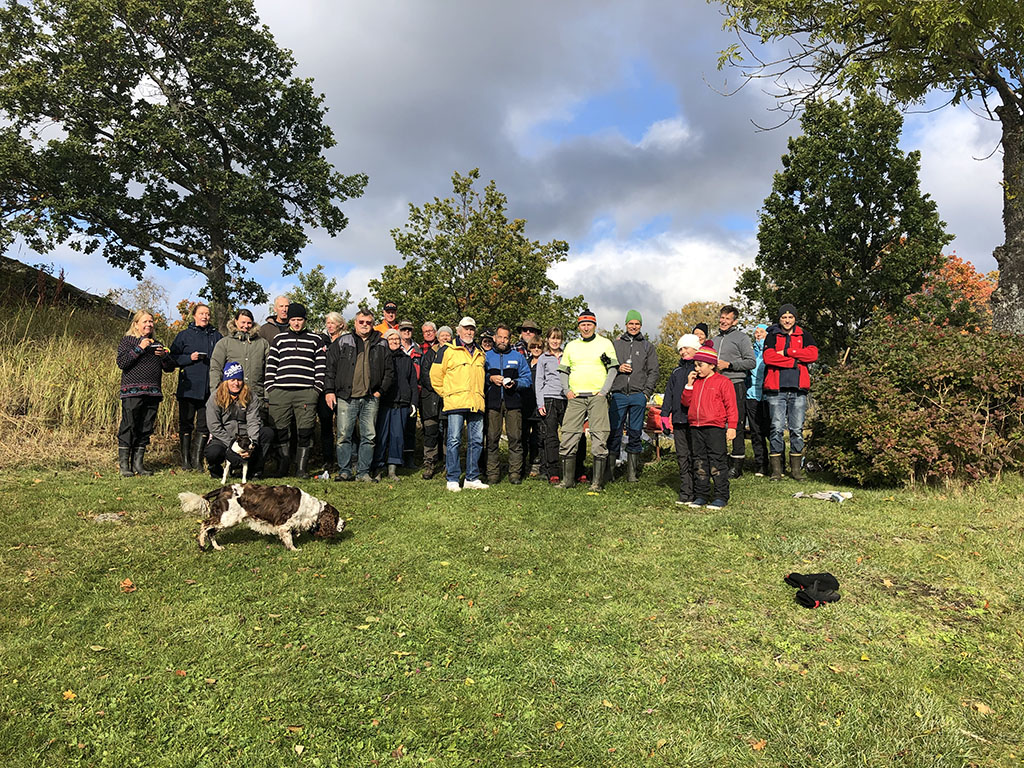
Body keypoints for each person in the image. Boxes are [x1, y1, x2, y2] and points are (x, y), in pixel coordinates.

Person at [325, 308, 393, 482]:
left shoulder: (381, 343)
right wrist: (329, 391)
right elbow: (330, 368)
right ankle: (345, 471)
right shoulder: (343, 341)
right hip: (346, 397)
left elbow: (389, 371)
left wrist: (380, 392)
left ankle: (363, 472)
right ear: (355, 323)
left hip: (370, 397)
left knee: (369, 437)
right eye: (361, 322)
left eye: (368, 322)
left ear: (373, 324)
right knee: (343, 436)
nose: (364, 325)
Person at [557, 309, 618, 491]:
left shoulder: (605, 344)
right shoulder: (571, 346)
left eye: (589, 324)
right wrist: (567, 390)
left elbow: (613, 369)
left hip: (597, 396)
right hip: (576, 397)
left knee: (600, 436)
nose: (586, 328)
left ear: (594, 326)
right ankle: (567, 480)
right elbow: (564, 370)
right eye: (583, 324)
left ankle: (597, 483)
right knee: (568, 434)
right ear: (579, 327)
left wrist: (604, 391)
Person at [264, 302, 326, 478]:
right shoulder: (279, 339)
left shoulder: (315, 339)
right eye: (293, 319)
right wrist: (271, 387)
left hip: (306, 392)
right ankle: (282, 468)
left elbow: (321, 366)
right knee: (280, 431)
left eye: (299, 319)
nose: (296, 323)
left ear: (305, 320)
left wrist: (316, 389)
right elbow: (271, 364)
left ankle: (301, 469)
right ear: (289, 320)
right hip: (280, 392)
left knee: (305, 431)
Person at [430, 316, 488, 492]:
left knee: (476, 441)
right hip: (455, 402)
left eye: (472, 329)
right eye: (466, 328)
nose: (469, 332)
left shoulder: (480, 352)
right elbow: (435, 376)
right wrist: (447, 394)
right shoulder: (447, 350)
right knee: (454, 440)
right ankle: (453, 478)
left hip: (476, 402)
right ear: (458, 330)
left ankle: (472, 477)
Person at [762, 303, 819, 481]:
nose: (787, 320)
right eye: (784, 317)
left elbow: (813, 355)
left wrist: (787, 351)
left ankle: (796, 470)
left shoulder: (804, 335)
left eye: (790, 317)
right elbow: (768, 357)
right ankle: (776, 471)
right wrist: (794, 361)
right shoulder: (772, 335)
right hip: (776, 390)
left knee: (796, 429)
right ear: (779, 319)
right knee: (776, 428)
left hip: (798, 389)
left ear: (795, 318)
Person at [116, 310, 174, 477]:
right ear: (136, 324)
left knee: (146, 427)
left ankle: (138, 464)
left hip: (153, 393)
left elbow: (170, 368)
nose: (149, 324)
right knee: (129, 425)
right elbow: (122, 362)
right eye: (145, 321)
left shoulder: (157, 344)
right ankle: (124, 465)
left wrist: (164, 356)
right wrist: (140, 348)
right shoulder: (128, 341)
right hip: (132, 392)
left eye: (151, 321)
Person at [681, 342, 738, 509]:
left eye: (700, 365)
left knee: (717, 461)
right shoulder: (695, 382)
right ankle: (701, 495)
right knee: (699, 461)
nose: (697, 368)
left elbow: (731, 406)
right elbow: (685, 402)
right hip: (696, 427)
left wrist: (732, 426)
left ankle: (721, 495)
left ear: (712, 365)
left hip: (715, 427)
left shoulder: (723, 382)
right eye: (695, 365)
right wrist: (689, 385)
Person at [169, 303, 222, 472]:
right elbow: (171, 359)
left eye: (207, 314)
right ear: (194, 316)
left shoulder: (216, 336)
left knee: (204, 425)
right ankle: (185, 461)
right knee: (186, 424)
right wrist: (189, 358)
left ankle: (197, 461)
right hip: (188, 387)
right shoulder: (184, 335)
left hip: (209, 389)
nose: (205, 316)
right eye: (202, 313)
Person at [608, 309, 659, 482]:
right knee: (614, 432)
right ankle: (610, 472)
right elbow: (604, 362)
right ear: (626, 324)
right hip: (619, 394)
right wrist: (618, 367)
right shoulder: (615, 345)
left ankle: (632, 474)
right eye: (631, 323)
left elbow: (653, 371)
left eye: (637, 324)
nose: (634, 326)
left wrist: (646, 393)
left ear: (641, 326)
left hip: (638, 395)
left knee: (635, 433)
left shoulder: (647, 346)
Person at [205, 362, 275, 479]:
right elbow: (214, 426)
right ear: (226, 381)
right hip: (223, 437)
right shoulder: (215, 397)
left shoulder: (251, 396)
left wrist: (252, 444)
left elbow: (253, 422)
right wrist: (232, 445)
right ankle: (216, 469)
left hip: (246, 437)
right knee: (213, 452)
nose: (236, 383)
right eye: (232, 380)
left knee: (267, 433)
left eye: (239, 380)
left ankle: (255, 470)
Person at [484, 324, 532, 484]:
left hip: (513, 402)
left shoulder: (518, 357)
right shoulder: (486, 356)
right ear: (494, 338)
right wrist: (490, 378)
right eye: (500, 337)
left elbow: (527, 379)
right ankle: (492, 474)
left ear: (510, 339)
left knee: (515, 438)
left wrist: (516, 383)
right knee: (492, 438)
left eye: (506, 338)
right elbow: (478, 377)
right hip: (492, 402)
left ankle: (515, 474)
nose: (502, 340)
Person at [713, 305, 756, 479]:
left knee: (736, 423)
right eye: (722, 317)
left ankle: (737, 466)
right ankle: (720, 462)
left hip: (735, 384)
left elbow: (751, 362)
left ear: (735, 321)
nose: (723, 321)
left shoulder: (741, 338)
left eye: (727, 318)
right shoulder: (714, 339)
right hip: (716, 386)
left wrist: (729, 365)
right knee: (717, 423)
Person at [371, 330, 419, 480]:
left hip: (402, 403)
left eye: (397, 339)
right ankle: (378, 467)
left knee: (397, 436)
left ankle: (393, 468)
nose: (394, 341)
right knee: (381, 436)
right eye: (391, 339)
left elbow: (413, 383)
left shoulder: (406, 360)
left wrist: (413, 402)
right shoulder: (379, 357)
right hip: (384, 402)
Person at [661, 334, 699, 505]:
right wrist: (664, 414)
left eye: (686, 348)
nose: (683, 351)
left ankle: (699, 490)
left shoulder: (699, 370)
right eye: (680, 349)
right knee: (682, 456)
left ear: (695, 348)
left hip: (696, 419)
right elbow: (669, 393)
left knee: (696, 455)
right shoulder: (676, 372)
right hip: (678, 419)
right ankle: (686, 492)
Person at [209, 308, 270, 403]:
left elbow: (268, 371)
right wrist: (216, 394)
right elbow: (216, 369)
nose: (246, 326)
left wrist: (267, 396)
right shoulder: (224, 343)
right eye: (243, 322)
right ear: (236, 321)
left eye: (249, 323)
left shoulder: (262, 343)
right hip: (231, 398)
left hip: (256, 397)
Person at [535, 327, 567, 484]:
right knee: (551, 436)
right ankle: (553, 471)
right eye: (552, 338)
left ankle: (574, 470)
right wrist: (540, 403)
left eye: (558, 338)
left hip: (566, 398)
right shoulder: (543, 358)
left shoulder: (567, 356)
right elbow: (539, 381)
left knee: (571, 435)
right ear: (547, 340)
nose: (555, 341)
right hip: (549, 399)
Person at [316, 311, 346, 470]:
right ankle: (328, 460)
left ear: (341, 324)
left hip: (342, 390)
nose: (330, 326)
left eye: (333, 323)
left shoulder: (347, 341)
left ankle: (347, 460)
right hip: (324, 389)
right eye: (328, 323)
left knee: (345, 427)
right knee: (326, 425)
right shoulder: (321, 340)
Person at [418, 324, 445, 479]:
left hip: (447, 399)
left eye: (447, 336)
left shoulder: (454, 353)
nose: (445, 338)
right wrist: (437, 388)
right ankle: (429, 463)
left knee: (448, 433)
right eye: (442, 335)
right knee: (430, 432)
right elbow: (424, 374)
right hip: (430, 399)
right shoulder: (430, 353)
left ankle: (448, 463)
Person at [746, 324, 771, 477]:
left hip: (768, 396)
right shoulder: (750, 352)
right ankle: (761, 465)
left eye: (762, 332)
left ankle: (779, 465)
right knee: (756, 432)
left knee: (772, 431)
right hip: (751, 395)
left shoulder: (771, 351)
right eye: (756, 332)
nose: (758, 334)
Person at [397, 319, 422, 468]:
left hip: (414, 390)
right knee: (397, 427)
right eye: (404, 329)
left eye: (409, 330)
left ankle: (409, 459)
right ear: (399, 331)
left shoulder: (418, 349)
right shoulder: (394, 346)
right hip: (397, 392)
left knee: (410, 427)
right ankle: (396, 458)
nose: (406, 332)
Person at [522, 337, 545, 476]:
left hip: (540, 404)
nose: (536, 349)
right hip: (525, 403)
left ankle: (537, 464)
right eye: (533, 346)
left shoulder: (546, 362)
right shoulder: (525, 363)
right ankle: (523, 465)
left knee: (538, 436)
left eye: (539, 347)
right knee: (523, 436)